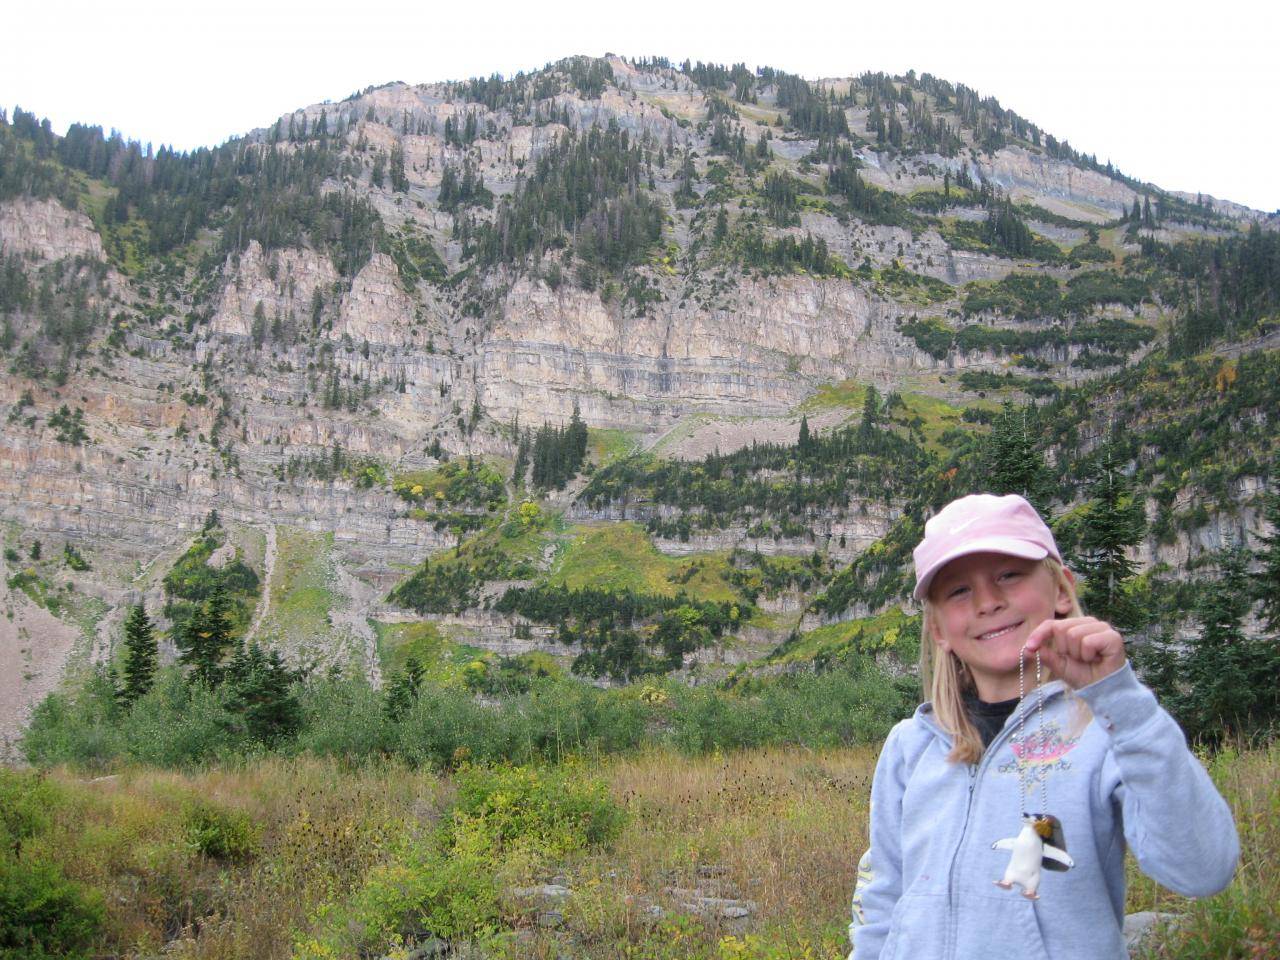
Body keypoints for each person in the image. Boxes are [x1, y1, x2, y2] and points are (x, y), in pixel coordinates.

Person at [848, 493, 1238, 960]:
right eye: (958, 591)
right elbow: (882, 902)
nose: (988, 602)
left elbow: (1203, 868)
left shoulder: (1107, 730)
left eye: (1008, 575)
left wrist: (1122, 701)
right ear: (938, 630)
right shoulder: (909, 748)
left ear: (1061, 590)